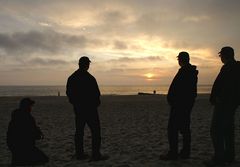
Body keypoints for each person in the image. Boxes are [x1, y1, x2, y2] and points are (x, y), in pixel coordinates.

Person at [66, 56, 108, 161]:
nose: (88, 65)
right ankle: (95, 154)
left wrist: (76, 104)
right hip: (89, 109)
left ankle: (80, 154)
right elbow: (96, 94)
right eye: (87, 64)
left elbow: (70, 94)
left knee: (80, 132)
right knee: (95, 132)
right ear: (85, 65)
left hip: (81, 109)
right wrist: (94, 104)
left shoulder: (73, 78)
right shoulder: (89, 78)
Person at [204, 47, 240, 167]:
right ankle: (229, 156)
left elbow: (228, 86)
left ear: (224, 55)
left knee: (216, 130)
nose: (220, 58)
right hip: (231, 104)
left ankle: (219, 158)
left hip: (224, 105)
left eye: (221, 55)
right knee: (228, 131)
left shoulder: (229, 67)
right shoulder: (236, 67)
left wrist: (220, 98)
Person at [160, 52, 198, 160]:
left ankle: (174, 153)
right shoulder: (189, 71)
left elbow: (185, 91)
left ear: (181, 59)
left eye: (179, 59)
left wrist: (175, 101)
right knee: (184, 129)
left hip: (180, 106)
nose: (178, 61)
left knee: (173, 129)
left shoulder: (187, 72)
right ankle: (184, 152)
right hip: (183, 105)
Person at [7, 98, 49, 166]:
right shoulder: (28, 118)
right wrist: (39, 134)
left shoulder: (15, 116)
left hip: (13, 145)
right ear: (27, 107)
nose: (31, 108)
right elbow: (35, 135)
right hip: (25, 146)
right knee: (44, 159)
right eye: (30, 106)